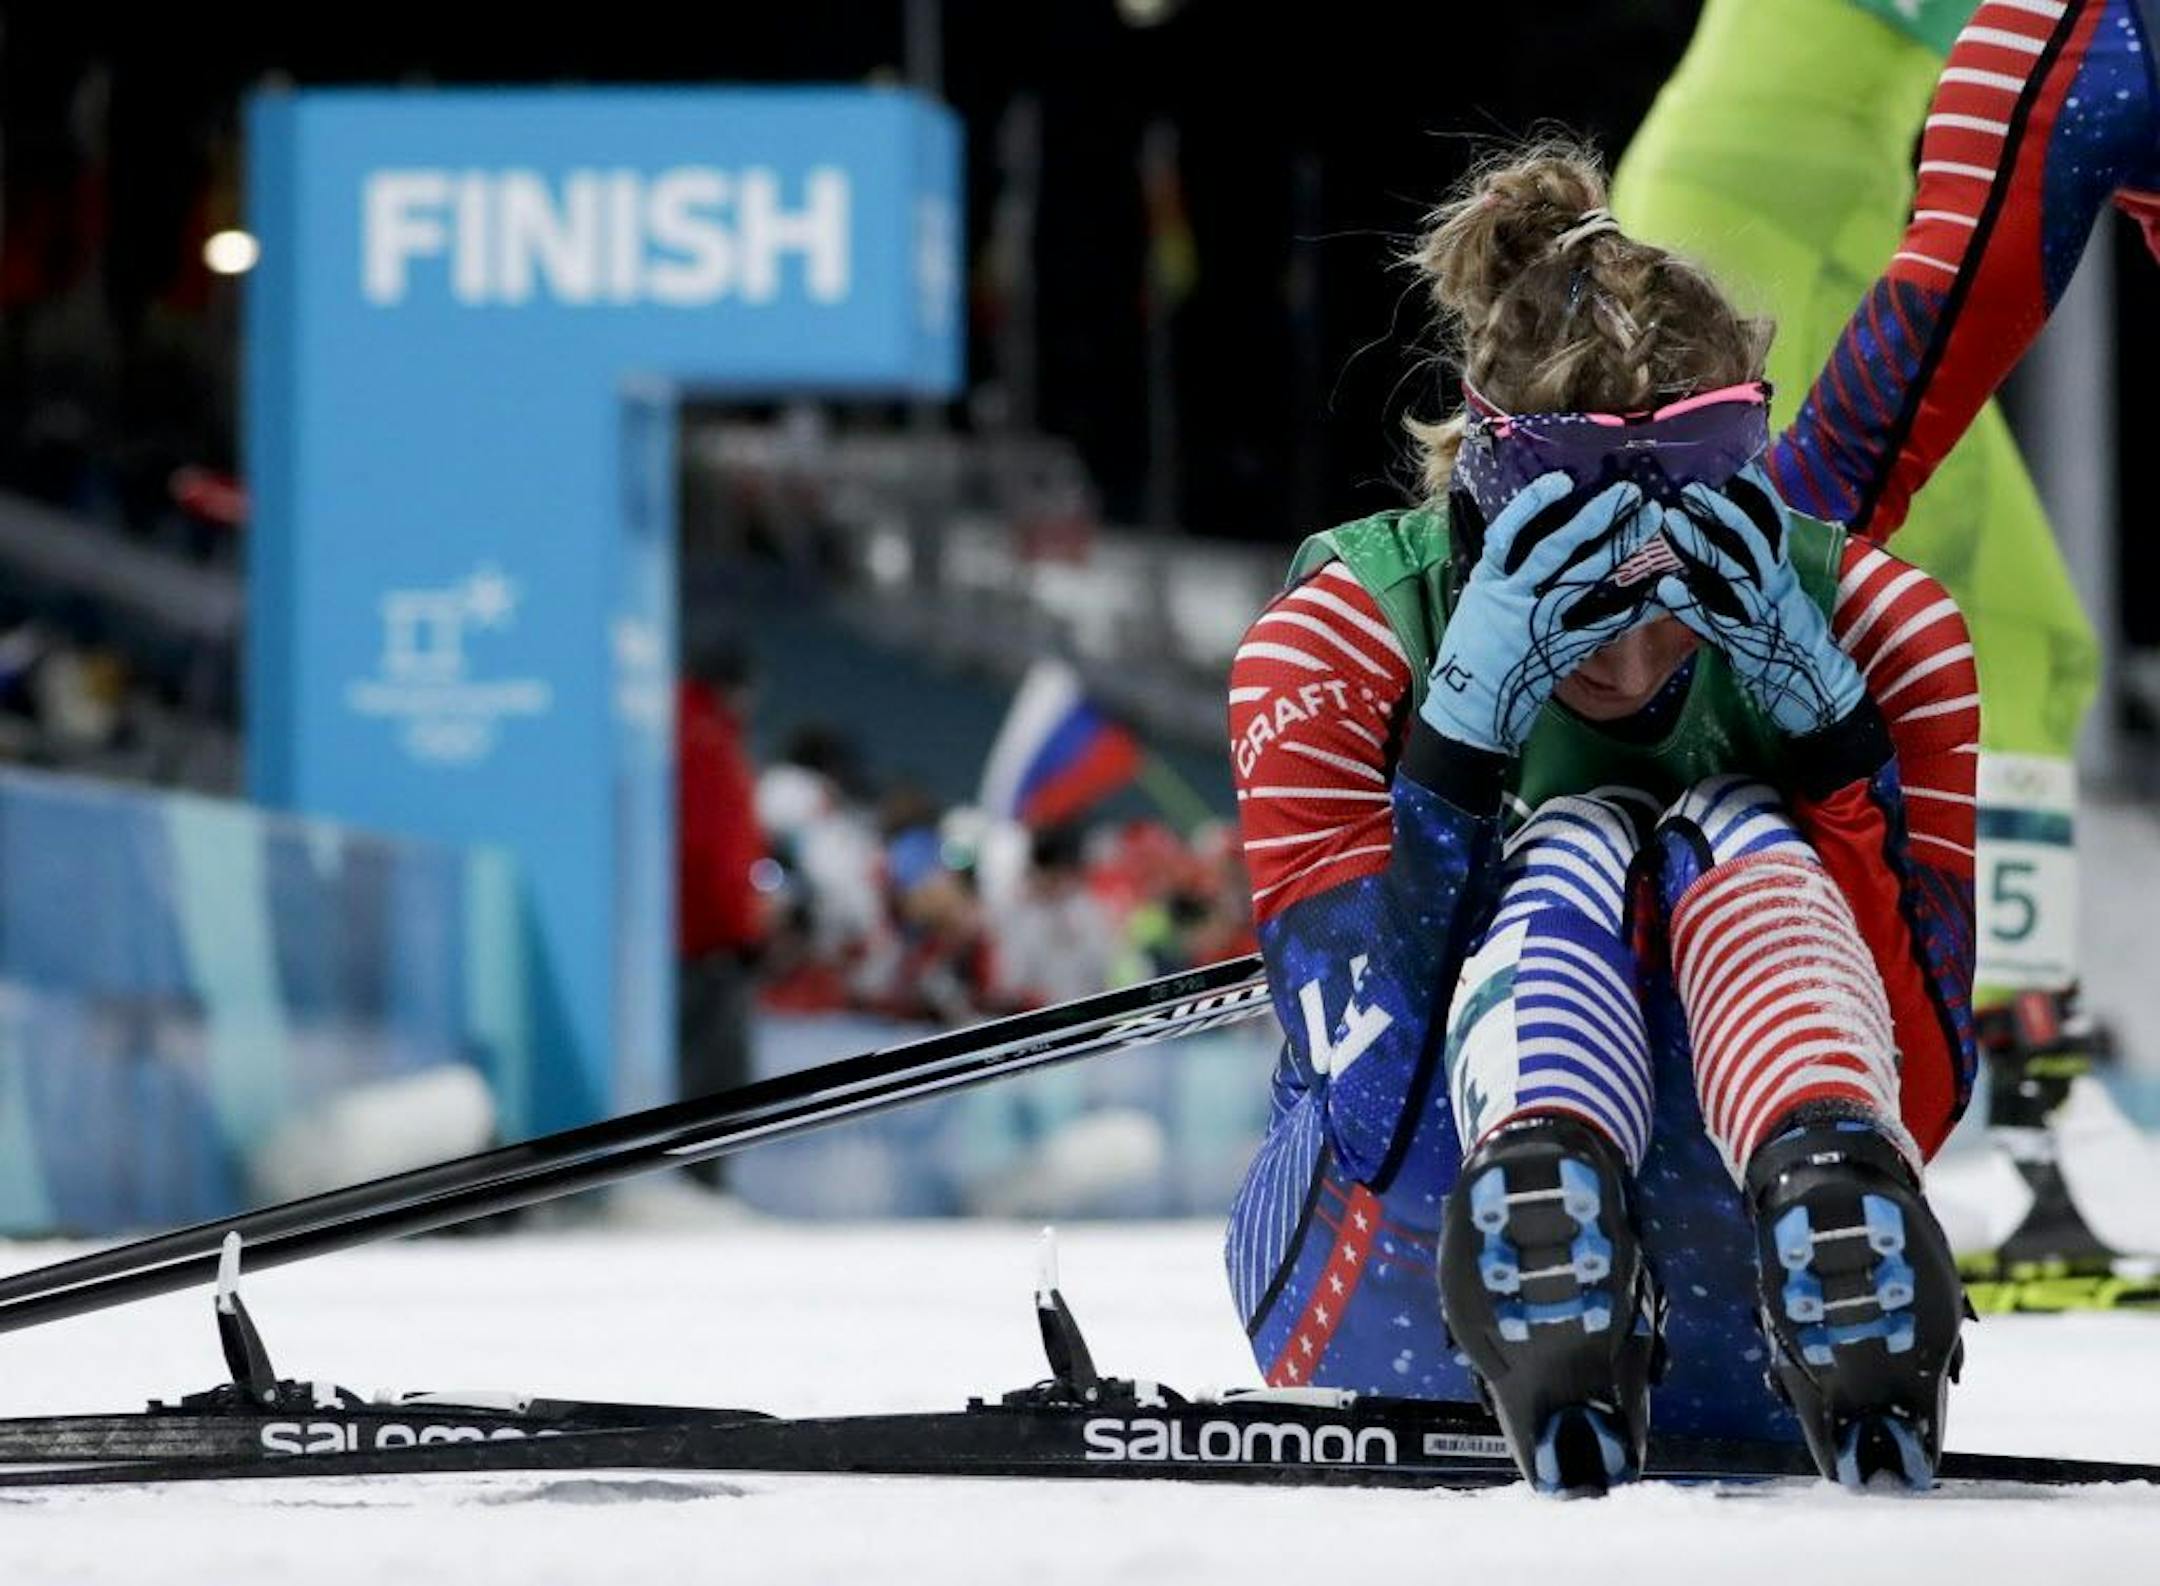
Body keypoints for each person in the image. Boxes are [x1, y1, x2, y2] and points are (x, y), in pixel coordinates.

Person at [1221, 146, 1980, 1494]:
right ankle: (1545, 1190)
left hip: (1755, 1319)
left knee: (1724, 822)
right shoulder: (1339, 640)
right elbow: (1371, 1115)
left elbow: (1921, 1097)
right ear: (1484, 502)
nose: (1629, 661)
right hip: (1389, 1299)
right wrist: (1458, 745)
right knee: (1579, 849)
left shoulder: (1879, 629)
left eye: (1669, 582)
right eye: (1575, 583)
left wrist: (1829, 735)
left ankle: (1782, 1180)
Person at [1614, 0, 2157, 1302]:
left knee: (2026, 636)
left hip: (1855, 218)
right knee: (1773, 603)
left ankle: (2032, 1101)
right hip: (1732, 224)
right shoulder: (2081, 37)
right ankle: (1679, 1052)